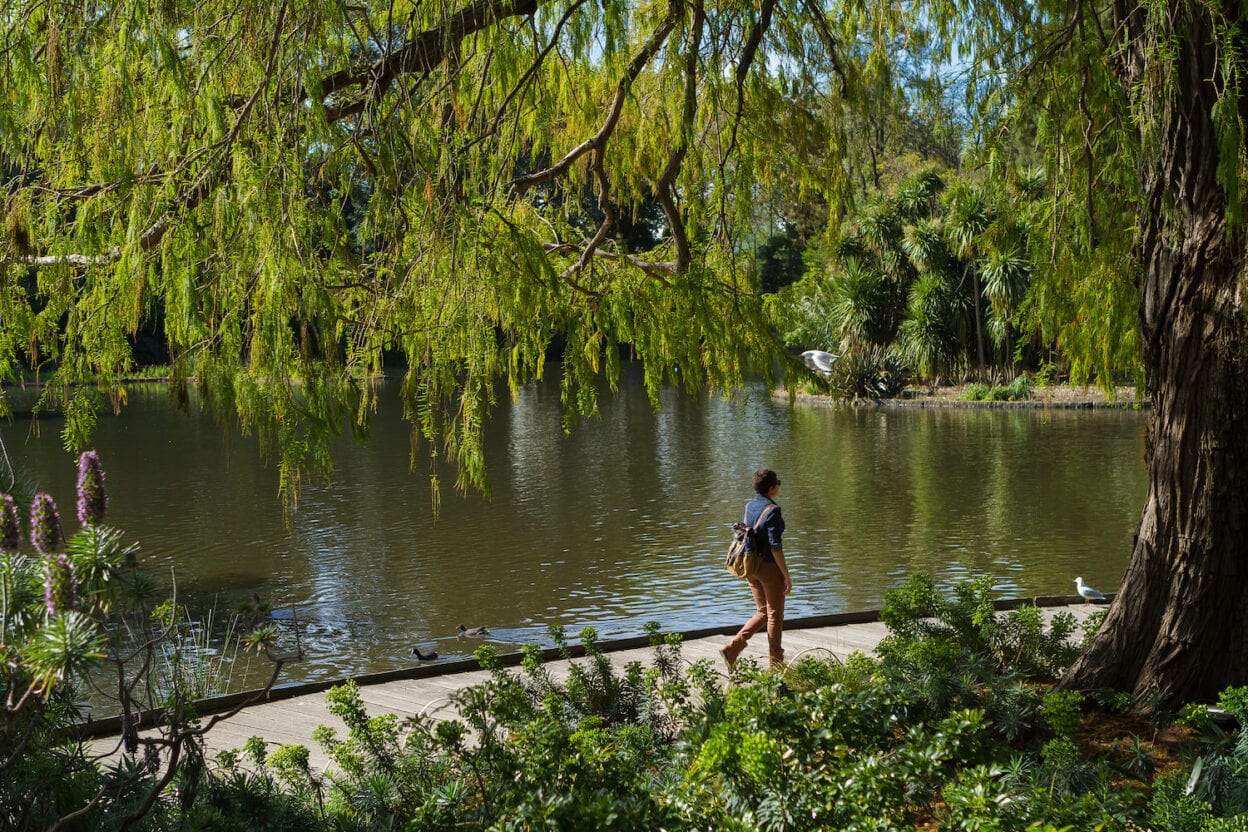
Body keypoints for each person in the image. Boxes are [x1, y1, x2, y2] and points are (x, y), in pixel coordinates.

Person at [720, 467, 792, 672]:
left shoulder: (749, 506)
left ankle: (733, 648)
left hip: (751, 566)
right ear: (771, 487)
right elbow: (775, 546)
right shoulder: (774, 511)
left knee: (763, 612)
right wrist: (786, 576)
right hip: (769, 568)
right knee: (775, 615)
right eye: (778, 483)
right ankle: (775, 664)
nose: (779, 486)